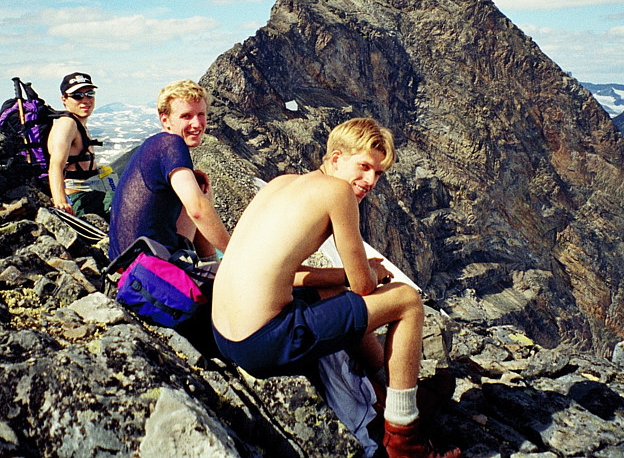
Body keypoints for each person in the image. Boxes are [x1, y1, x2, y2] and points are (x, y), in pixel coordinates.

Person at [211, 118, 459, 458]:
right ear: (337, 158)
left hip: (225, 335)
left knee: (337, 299)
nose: (370, 180)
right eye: (365, 167)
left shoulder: (282, 183)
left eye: (379, 173)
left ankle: (388, 395)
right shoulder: (338, 192)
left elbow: (295, 276)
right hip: (262, 342)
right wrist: (367, 276)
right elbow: (363, 287)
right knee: (407, 300)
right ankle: (404, 439)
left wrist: (344, 278)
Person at [107, 79, 229, 261]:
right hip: (149, 270)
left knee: (198, 186)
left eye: (201, 114)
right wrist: (235, 253)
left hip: (126, 262)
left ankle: (211, 266)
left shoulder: (156, 144)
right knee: (199, 199)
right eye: (186, 116)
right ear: (165, 120)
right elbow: (197, 210)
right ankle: (213, 268)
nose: (197, 124)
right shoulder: (171, 144)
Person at [46, 72, 109, 218]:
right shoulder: (67, 124)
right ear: (64, 99)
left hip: (92, 193)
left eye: (89, 93)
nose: (85, 100)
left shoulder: (78, 123)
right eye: (77, 96)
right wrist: (61, 202)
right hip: (81, 199)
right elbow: (55, 165)